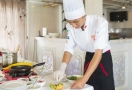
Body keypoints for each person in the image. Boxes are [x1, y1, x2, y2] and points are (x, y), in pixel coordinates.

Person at [53, 0, 115, 90]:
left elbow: (98, 53)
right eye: (70, 22)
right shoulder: (70, 27)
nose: (73, 25)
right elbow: (69, 48)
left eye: (76, 21)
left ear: (84, 15)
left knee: (105, 86)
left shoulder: (100, 23)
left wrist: (84, 79)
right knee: (89, 87)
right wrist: (62, 68)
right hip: (89, 57)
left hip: (103, 58)